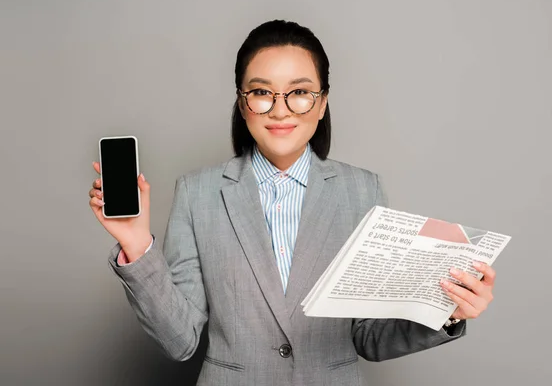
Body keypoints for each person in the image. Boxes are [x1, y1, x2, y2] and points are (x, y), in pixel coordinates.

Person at [88, 20, 496, 386]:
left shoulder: (362, 190)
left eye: (299, 92)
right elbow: (180, 341)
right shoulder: (198, 192)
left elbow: (370, 336)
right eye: (262, 92)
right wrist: (137, 246)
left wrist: (449, 309)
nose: (280, 109)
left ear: (321, 103)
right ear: (242, 102)